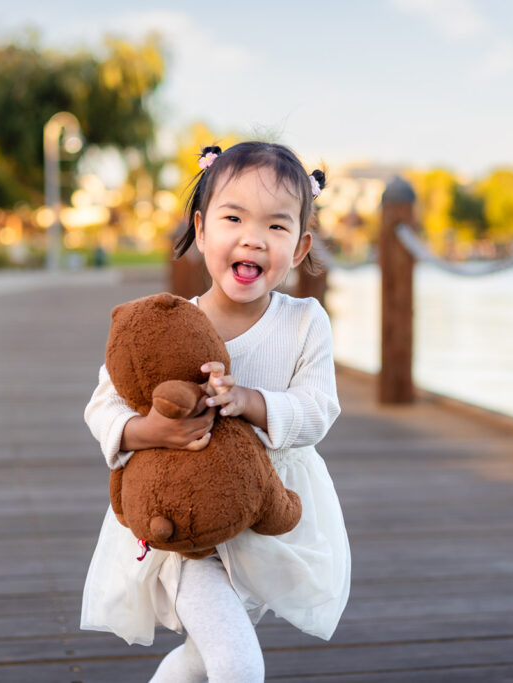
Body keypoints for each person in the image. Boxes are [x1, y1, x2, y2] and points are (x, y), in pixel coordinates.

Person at [80, 141, 350, 682]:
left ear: (299, 248)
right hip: (181, 524)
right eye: (234, 218)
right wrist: (145, 430)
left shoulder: (304, 323)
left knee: (204, 659)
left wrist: (250, 401)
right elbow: (103, 404)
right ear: (202, 230)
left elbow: (319, 409)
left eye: (277, 227)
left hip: (260, 517)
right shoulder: (168, 322)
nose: (253, 237)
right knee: (237, 665)